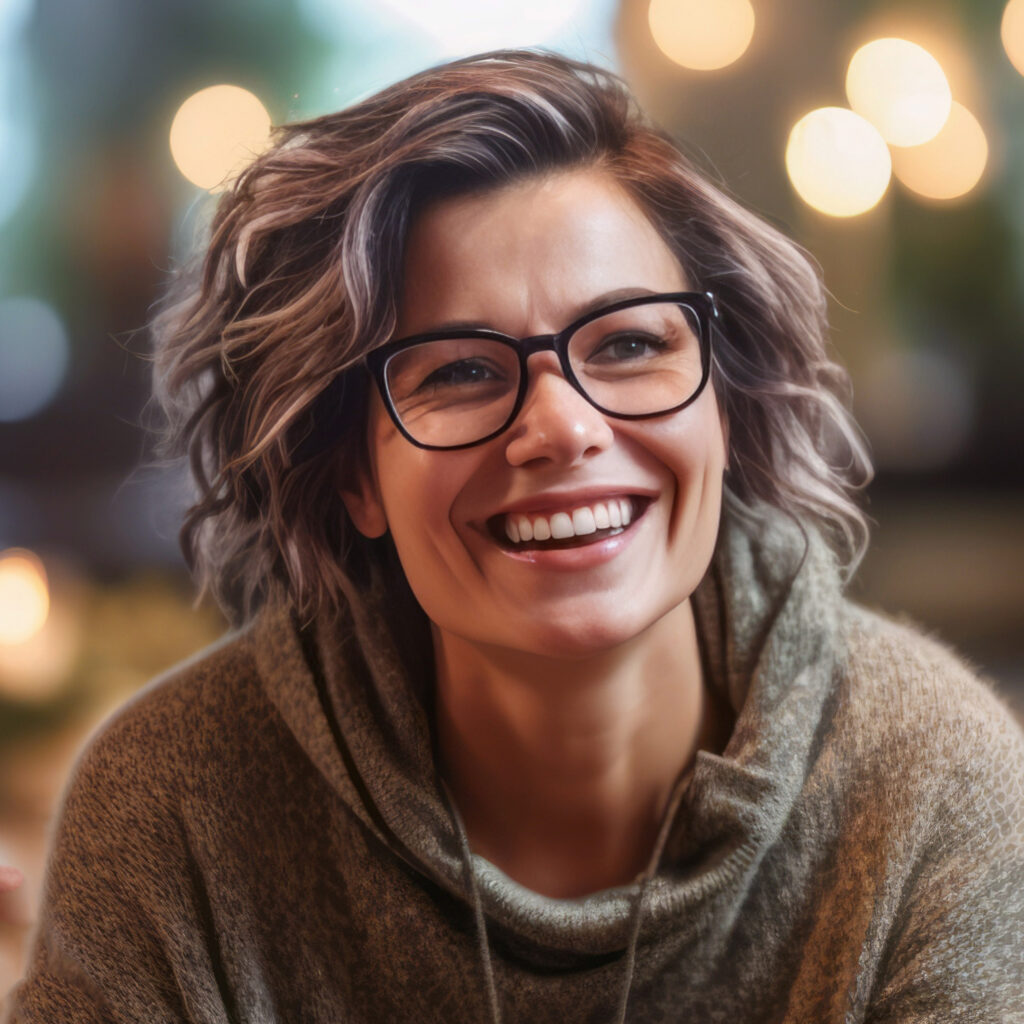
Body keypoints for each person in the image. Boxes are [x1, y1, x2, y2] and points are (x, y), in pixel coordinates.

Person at [6, 50, 1024, 1024]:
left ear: (722, 405)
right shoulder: (173, 810)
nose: (563, 427)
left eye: (628, 343)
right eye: (457, 369)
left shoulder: (935, 789)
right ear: (353, 474)